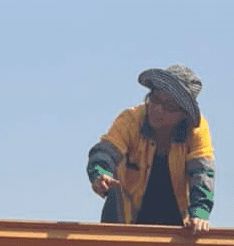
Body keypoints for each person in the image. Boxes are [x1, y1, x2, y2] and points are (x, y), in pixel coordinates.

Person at [87, 65, 214, 234]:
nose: (158, 109)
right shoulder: (131, 119)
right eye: (155, 99)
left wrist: (200, 213)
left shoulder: (196, 130)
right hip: (122, 221)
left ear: (184, 114)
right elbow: (106, 150)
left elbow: (202, 173)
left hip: (175, 225)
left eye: (169, 105)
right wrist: (100, 173)